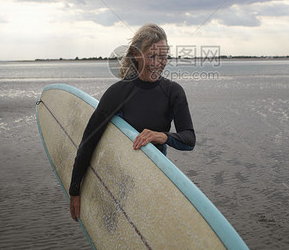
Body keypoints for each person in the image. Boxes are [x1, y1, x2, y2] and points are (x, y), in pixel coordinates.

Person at [69, 23, 196, 222]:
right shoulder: (118, 93)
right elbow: (88, 142)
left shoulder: (173, 92)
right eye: (152, 56)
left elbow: (189, 139)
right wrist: (75, 191)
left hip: (153, 179)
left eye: (163, 56)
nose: (158, 63)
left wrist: (162, 136)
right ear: (137, 55)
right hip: (118, 181)